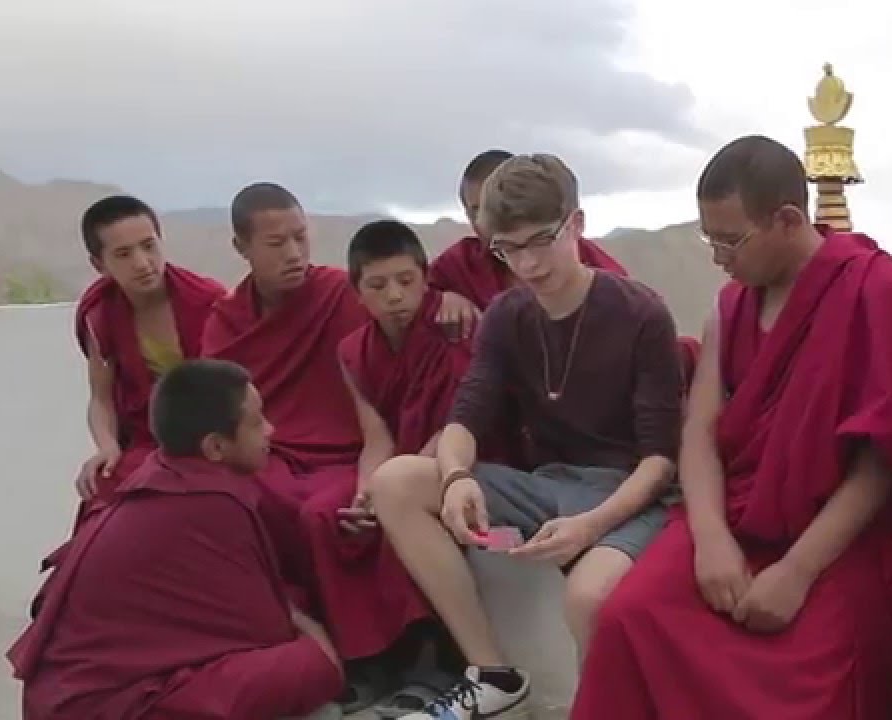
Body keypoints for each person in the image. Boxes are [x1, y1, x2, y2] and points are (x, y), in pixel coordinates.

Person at [570, 135, 892, 719]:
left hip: (837, 535)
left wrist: (798, 570)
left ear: (787, 220)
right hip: (736, 517)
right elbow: (700, 432)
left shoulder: (873, 288)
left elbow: (882, 458)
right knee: (627, 618)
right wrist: (712, 540)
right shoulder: (731, 307)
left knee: (814, 683)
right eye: (709, 238)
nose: (719, 257)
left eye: (730, 240)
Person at [368, 153, 684, 720]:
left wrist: (592, 525)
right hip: (547, 485)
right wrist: (455, 476)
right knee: (396, 482)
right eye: (510, 249)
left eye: (542, 241)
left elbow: (660, 460)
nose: (529, 264)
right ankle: (493, 674)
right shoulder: (506, 315)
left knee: (590, 597)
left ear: (577, 224)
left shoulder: (640, 313)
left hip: (631, 496)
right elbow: (466, 417)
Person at [8, 359, 344, 720]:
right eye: (256, 422)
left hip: (68, 692)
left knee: (293, 623)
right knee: (313, 662)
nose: (270, 430)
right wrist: (315, 637)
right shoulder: (211, 501)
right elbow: (268, 631)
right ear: (215, 447)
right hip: (105, 705)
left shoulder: (163, 472)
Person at [202, 184, 427, 709]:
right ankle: (292, 646)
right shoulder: (227, 321)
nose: (294, 253)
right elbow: (222, 408)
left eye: (300, 237)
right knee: (249, 502)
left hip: (349, 451)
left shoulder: (341, 295)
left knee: (325, 514)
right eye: (276, 243)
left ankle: (380, 659)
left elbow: (409, 315)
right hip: (274, 451)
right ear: (241, 248)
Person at [72, 195, 225, 520]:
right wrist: (107, 446)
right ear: (99, 265)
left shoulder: (208, 301)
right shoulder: (99, 313)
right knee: (102, 490)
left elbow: (236, 389)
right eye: (123, 254)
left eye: (148, 246)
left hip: (214, 435)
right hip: (147, 439)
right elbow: (101, 399)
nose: (142, 263)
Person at [428, 149, 627, 339]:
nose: (489, 220)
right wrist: (444, 298)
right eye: (476, 211)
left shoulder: (605, 278)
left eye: (540, 240)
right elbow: (417, 291)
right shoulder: (461, 264)